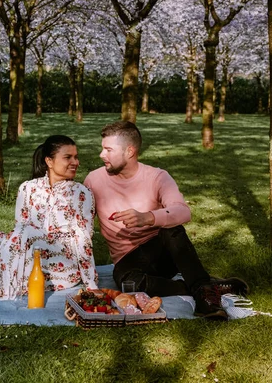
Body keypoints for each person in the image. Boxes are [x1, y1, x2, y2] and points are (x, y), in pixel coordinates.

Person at [83, 120, 249, 320]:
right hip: (127, 260)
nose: (102, 155)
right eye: (102, 149)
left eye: (108, 150)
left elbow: (183, 212)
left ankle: (206, 302)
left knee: (172, 229)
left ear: (130, 151)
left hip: (163, 252)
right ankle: (205, 287)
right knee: (128, 284)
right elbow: (82, 222)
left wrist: (148, 217)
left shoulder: (157, 177)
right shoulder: (94, 180)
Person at [0, 135, 98, 308]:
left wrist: (90, 283)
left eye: (76, 157)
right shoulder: (28, 188)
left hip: (63, 264)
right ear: (49, 161)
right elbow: (18, 234)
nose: (75, 162)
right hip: (28, 259)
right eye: (68, 157)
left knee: (24, 233)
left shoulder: (81, 194)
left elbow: (83, 237)